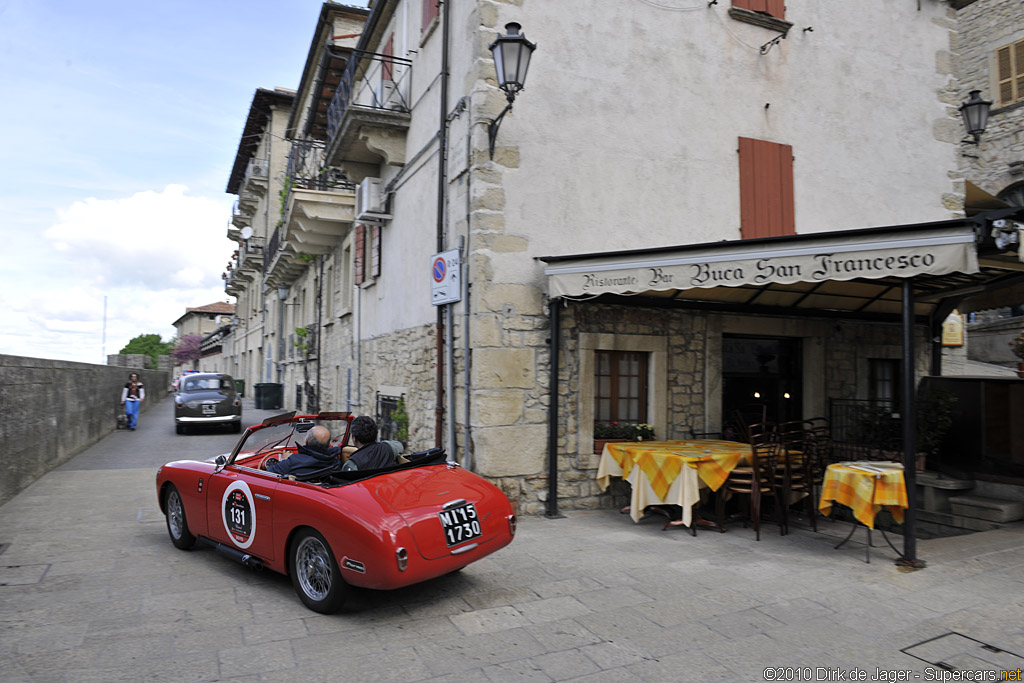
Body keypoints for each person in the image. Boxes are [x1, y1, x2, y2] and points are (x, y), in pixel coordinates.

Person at [265, 425, 339, 477]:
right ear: (329, 444)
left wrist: (285, 460)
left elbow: (269, 473)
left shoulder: (292, 462)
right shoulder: (334, 458)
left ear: (306, 442)